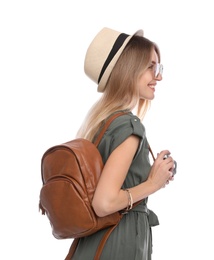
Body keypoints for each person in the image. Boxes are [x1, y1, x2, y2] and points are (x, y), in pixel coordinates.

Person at [72, 27, 176, 260]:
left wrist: (150, 176)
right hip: (118, 243)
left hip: (95, 243)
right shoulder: (129, 126)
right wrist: (152, 183)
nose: (158, 76)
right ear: (129, 69)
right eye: (151, 67)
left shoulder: (101, 122)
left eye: (158, 67)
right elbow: (104, 202)